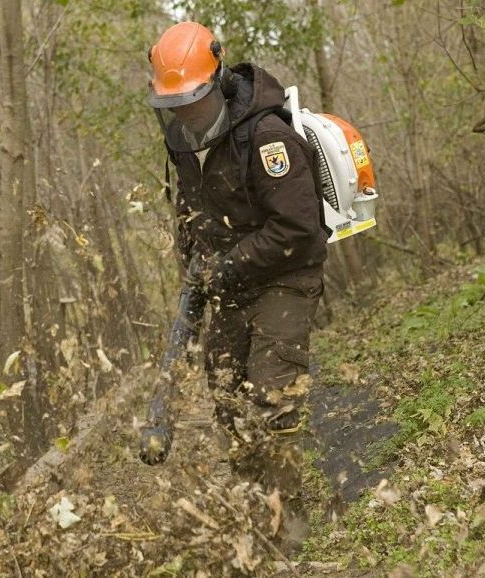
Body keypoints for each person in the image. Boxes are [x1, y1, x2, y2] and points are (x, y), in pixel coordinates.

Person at [147, 21, 329, 549]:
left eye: (194, 101)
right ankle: (254, 509)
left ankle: (291, 523)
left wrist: (228, 267)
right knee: (227, 395)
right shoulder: (183, 146)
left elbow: (298, 228)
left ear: (220, 80)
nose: (185, 113)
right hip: (229, 279)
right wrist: (196, 273)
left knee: (272, 390)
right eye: (174, 103)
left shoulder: (267, 135)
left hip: (286, 272)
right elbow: (190, 213)